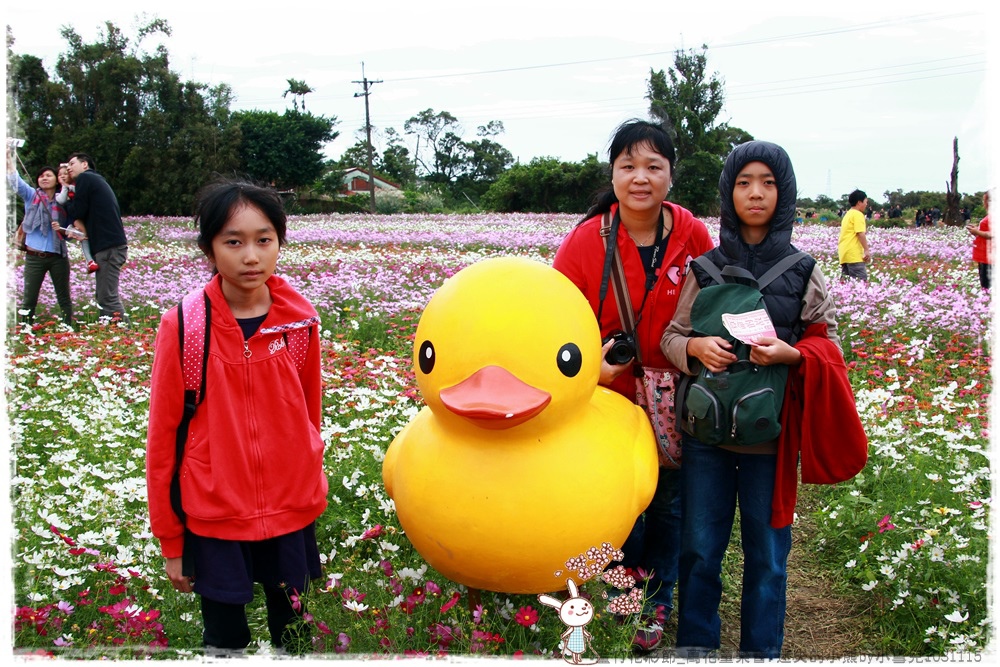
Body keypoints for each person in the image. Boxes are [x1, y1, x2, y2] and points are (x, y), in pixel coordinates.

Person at [661, 140, 840, 659]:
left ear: (782, 194)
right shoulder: (704, 268)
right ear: (728, 193)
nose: (755, 193)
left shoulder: (804, 270)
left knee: (767, 557)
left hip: (770, 441)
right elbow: (671, 336)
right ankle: (697, 646)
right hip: (705, 439)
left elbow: (827, 346)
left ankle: (761, 653)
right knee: (698, 549)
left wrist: (792, 354)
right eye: (743, 183)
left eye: (767, 183)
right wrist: (695, 347)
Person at [145, 178, 328, 653]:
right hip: (215, 514)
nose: (251, 256)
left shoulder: (299, 323)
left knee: (295, 632)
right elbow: (164, 436)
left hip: (290, 511)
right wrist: (172, 539)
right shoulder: (185, 326)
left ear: (279, 243)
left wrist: (307, 486)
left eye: (264, 240)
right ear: (209, 248)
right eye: (234, 242)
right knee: (225, 638)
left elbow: (310, 416)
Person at [552, 119, 714, 653]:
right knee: (621, 505)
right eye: (628, 166)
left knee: (669, 504)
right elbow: (556, 322)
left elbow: (712, 310)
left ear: (671, 175)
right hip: (608, 398)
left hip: (677, 395)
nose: (640, 177)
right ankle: (625, 596)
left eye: (653, 166)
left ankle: (656, 601)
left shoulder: (694, 236)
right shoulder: (583, 241)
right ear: (614, 174)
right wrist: (589, 369)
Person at [6, 143, 74, 327]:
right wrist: (8, 157)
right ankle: (26, 329)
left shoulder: (65, 198)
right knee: (29, 297)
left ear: (56, 179)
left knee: (64, 296)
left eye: (48, 175)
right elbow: (15, 182)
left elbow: (74, 223)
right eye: (41, 176)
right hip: (34, 257)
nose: (44, 178)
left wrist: (61, 228)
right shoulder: (31, 196)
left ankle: (69, 327)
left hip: (58, 256)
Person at [65, 152, 128, 320]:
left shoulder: (86, 179)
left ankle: (124, 334)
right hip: (110, 245)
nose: (68, 168)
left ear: (85, 164)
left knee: (107, 297)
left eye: (72, 164)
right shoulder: (95, 180)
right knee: (103, 296)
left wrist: (67, 197)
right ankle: (113, 333)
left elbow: (78, 210)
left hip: (108, 247)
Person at [55, 163, 99, 273]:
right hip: (72, 219)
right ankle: (90, 261)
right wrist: (64, 187)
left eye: (66, 173)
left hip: (85, 216)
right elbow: (61, 200)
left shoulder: (78, 185)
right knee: (83, 235)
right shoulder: (59, 191)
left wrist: (68, 186)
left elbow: (80, 192)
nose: (63, 176)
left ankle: (91, 260)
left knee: (86, 236)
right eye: (60, 175)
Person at [837, 189, 870, 281]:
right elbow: (860, 233)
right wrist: (866, 250)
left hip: (845, 253)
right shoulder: (858, 214)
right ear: (859, 202)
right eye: (865, 202)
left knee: (846, 284)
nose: (866, 204)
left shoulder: (848, 214)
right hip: (854, 254)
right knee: (860, 282)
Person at [966, 191, 991, 289]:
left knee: (988, 286)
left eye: (984, 200)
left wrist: (977, 232)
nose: (983, 203)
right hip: (985, 255)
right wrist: (977, 229)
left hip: (989, 257)